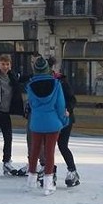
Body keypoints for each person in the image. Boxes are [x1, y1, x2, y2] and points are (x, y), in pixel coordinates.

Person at [24, 56, 68, 195]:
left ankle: (31, 180)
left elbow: (31, 103)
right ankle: (48, 184)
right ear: (47, 69)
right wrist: (63, 121)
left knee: (34, 151)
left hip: (36, 122)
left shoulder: (30, 85)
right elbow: (61, 106)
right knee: (49, 152)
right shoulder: (56, 84)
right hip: (52, 123)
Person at [57, 72, 80, 188]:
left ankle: (72, 171)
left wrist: (68, 110)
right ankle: (49, 171)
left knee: (62, 145)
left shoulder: (62, 82)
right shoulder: (43, 80)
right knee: (46, 146)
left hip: (65, 118)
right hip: (51, 118)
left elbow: (72, 99)